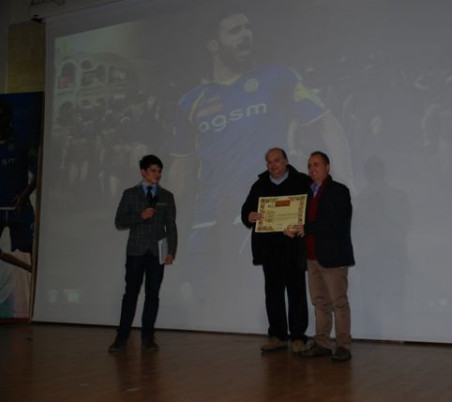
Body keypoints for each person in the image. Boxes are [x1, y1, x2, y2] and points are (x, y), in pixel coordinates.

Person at [167, 4, 353, 275]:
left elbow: (328, 124)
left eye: (247, 28)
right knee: (200, 291)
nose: (245, 35)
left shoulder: (277, 77)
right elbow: (181, 168)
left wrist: (346, 183)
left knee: (274, 287)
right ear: (213, 44)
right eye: (234, 31)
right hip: (211, 216)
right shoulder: (191, 102)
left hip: (274, 209)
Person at [241, 147, 310, 354]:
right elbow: (246, 211)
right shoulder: (259, 185)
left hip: (293, 247)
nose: (273, 165)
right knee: (273, 294)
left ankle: (298, 337)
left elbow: (311, 210)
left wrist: (302, 224)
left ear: (286, 161)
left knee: (296, 293)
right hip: (268, 249)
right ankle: (278, 336)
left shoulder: (301, 181)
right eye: (269, 161)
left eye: (277, 160)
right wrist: (249, 215)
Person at [287, 151, 355, 362]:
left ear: (327, 167)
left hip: (333, 257)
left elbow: (336, 221)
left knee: (338, 303)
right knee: (319, 303)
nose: (312, 169)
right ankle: (322, 343)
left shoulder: (339, 191)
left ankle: (343, 346)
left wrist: (306, 228)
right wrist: (291, 228)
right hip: (311, 257)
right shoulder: (306, 194)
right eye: (309, 165)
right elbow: (300, 221)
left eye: (316, 164)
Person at [109, 154, 177, 352]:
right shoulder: (130, 194)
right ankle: (121, 338)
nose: (157, 174)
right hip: (136, 252)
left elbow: (171, 227)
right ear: (143, 172)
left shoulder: (167, 196)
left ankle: (148, 337)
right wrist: (140, 216)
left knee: (152, 295)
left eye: (159, 171)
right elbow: (119, 221)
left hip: (157, 253)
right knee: (130, 294)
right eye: (153, 171)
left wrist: (171, 250)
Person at [0, 100, 37, 256]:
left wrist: (25, 193)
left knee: (28, 251)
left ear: (8, 118)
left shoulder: (22, 142)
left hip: (20, 209)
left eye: (2, 116)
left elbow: (38, 172)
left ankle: (28, 269)